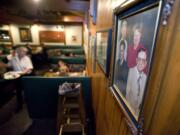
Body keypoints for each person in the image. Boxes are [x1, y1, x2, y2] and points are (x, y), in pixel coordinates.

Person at [126, 48, 148, 116]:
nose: (141, 62)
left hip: (138, 114)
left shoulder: (145, 77)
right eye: (139, 59)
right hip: (129, 110)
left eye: (143, 60)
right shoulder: (131, 71)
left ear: (146, 63)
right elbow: (127, 93)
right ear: (136, 60)